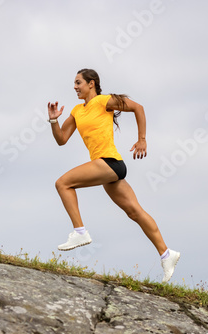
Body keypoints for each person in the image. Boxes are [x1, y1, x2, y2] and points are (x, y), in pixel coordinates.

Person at [47, 68, 180, 283]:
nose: (75, 87)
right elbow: (62, 139)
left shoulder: (104, 101)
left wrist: (142, 139)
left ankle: (80, 232)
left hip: (110, 163)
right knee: (134, 212)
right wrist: (53, 121)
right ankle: (167, 254)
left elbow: (138, 108)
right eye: (74, 83)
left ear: (91, 84)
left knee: (63, 183)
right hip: (107, 170)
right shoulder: (76, 111)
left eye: (78, 82)